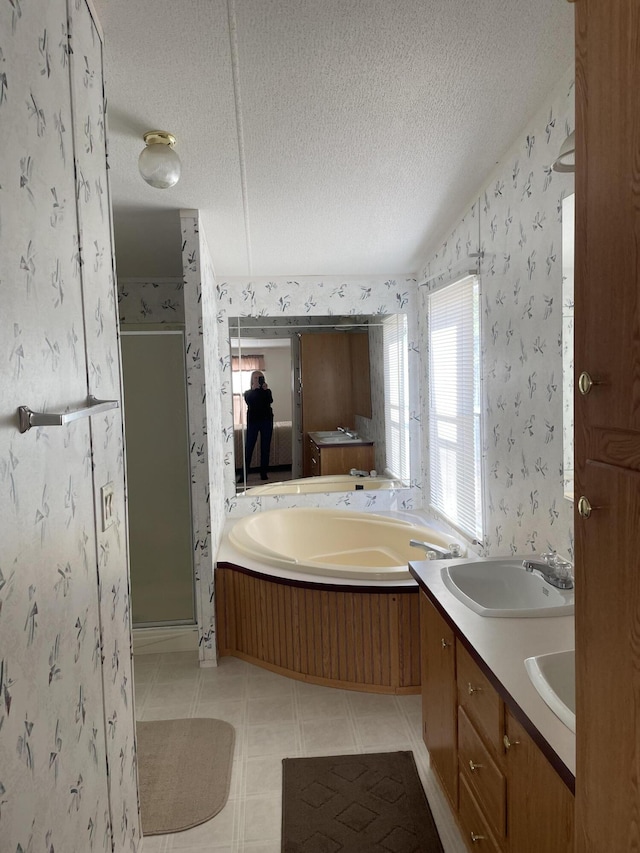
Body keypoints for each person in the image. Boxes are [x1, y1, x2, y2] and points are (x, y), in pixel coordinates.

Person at [242, 370, 273, 481]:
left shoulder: (267, 391)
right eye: (255, 378)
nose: (258, 379)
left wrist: (264, 390)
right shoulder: (248, 393)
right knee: (249, 447)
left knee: (265, 447)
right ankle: (244, 474)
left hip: (266, 421)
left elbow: (269, 401)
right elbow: (250, 402)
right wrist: (254, 389)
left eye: (260, 377)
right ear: (252, 380)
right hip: (253, 422)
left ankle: (263, 473)